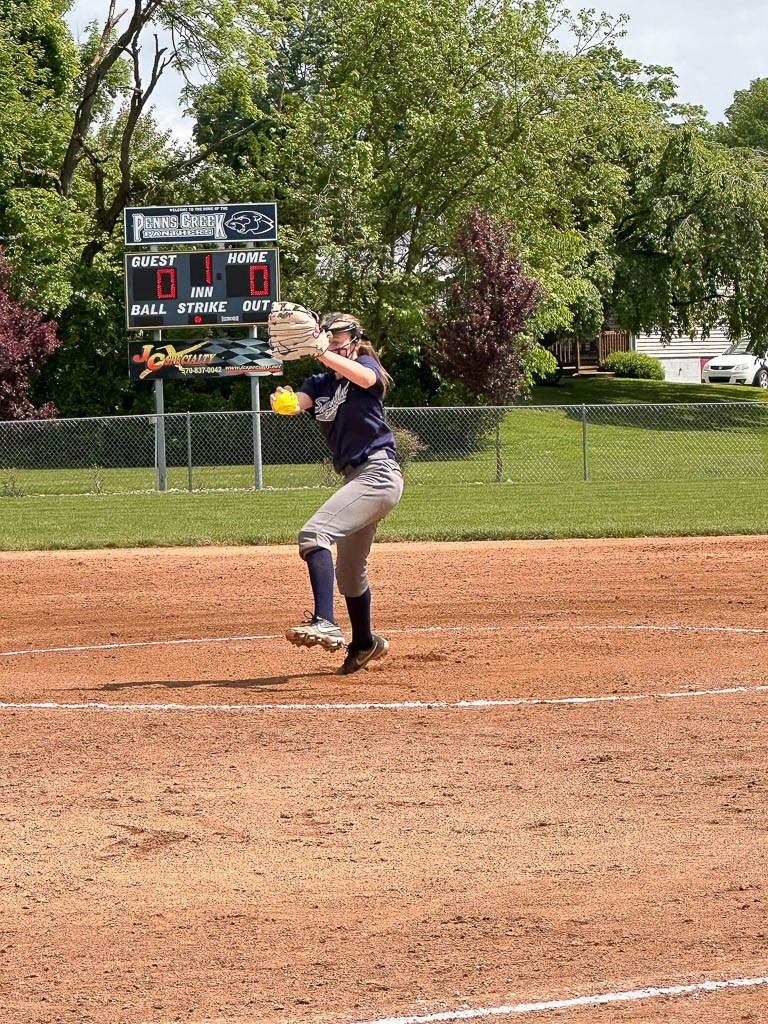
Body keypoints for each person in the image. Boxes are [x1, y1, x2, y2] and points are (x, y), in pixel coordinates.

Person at [269, 313, 403, 674]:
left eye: (340, 333)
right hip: (356, 479)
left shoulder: (365, 364)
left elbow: (365, 378)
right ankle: (364, 643)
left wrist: (323, 351)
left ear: (355, 340)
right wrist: (284, 401)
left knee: (314, 534)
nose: (332, 337)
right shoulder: (320, 382)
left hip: (378, 473)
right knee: (348, 573)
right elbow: (299, 401)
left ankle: (325, 620)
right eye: (327, 333)